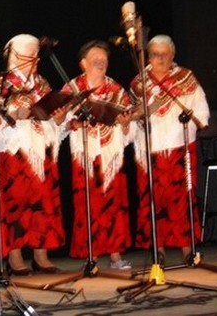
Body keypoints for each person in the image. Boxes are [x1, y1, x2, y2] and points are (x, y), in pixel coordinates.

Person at [129, 34, 210, 264]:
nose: (160, 59)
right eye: (155, 54)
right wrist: (138, 116)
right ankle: (159, 250)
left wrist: (198, 120)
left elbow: (200, 107)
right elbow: (132, 116)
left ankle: (187, 249)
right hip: (150, 150)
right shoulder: (138, 83)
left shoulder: (185, 77)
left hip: (180, 146)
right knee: (153, 200)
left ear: (172, 55)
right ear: (149, 56)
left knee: (183, 199)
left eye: (165, 54)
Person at [61, 40, 134, 270]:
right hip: (85, 155)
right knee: (87, 204)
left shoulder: (116, 90)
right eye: (96, 60)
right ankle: (89, 256)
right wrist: (71, 124)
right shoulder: (72, 89)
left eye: (104, 60)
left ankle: (115, 256)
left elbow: (130, 125)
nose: (101, 63)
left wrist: (125, 124)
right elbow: (59, 123)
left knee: (114, 204)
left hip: (111, 155)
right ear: (83, 63)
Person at [0, 33, 65, 275]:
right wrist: (14, 115)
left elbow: (53, 114)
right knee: (16, 203)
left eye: (36, 55)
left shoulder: (43, 83)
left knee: (43, 202)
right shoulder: (2, 84)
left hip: (42, 149)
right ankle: (14, 256)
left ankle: (41, 254)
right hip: (15, 151)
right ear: (15, 56)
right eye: (29, 56)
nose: (35, 60)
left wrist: (59, 118)